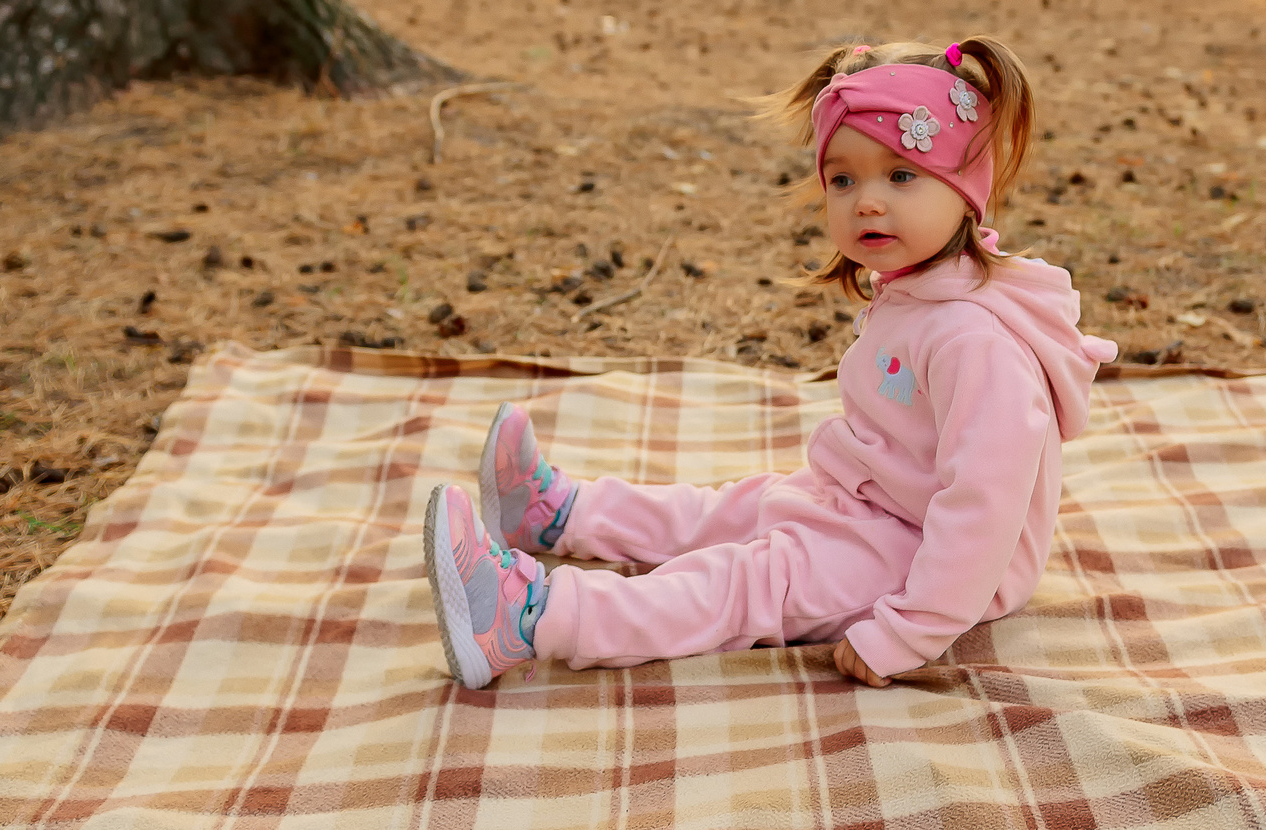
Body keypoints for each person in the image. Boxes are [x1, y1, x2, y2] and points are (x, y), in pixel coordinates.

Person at [423, 37, 1118, 689]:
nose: (866, 200)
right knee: (733, 506)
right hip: (873, 504)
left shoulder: (976, 339)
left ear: (967, 188)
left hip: (930, 560)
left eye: (902, 174)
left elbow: (982, 511)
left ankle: (527, 618)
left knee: (751, 579)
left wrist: (911, 629)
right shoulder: (918, 288)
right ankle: (557, 515)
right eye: (842, 180)